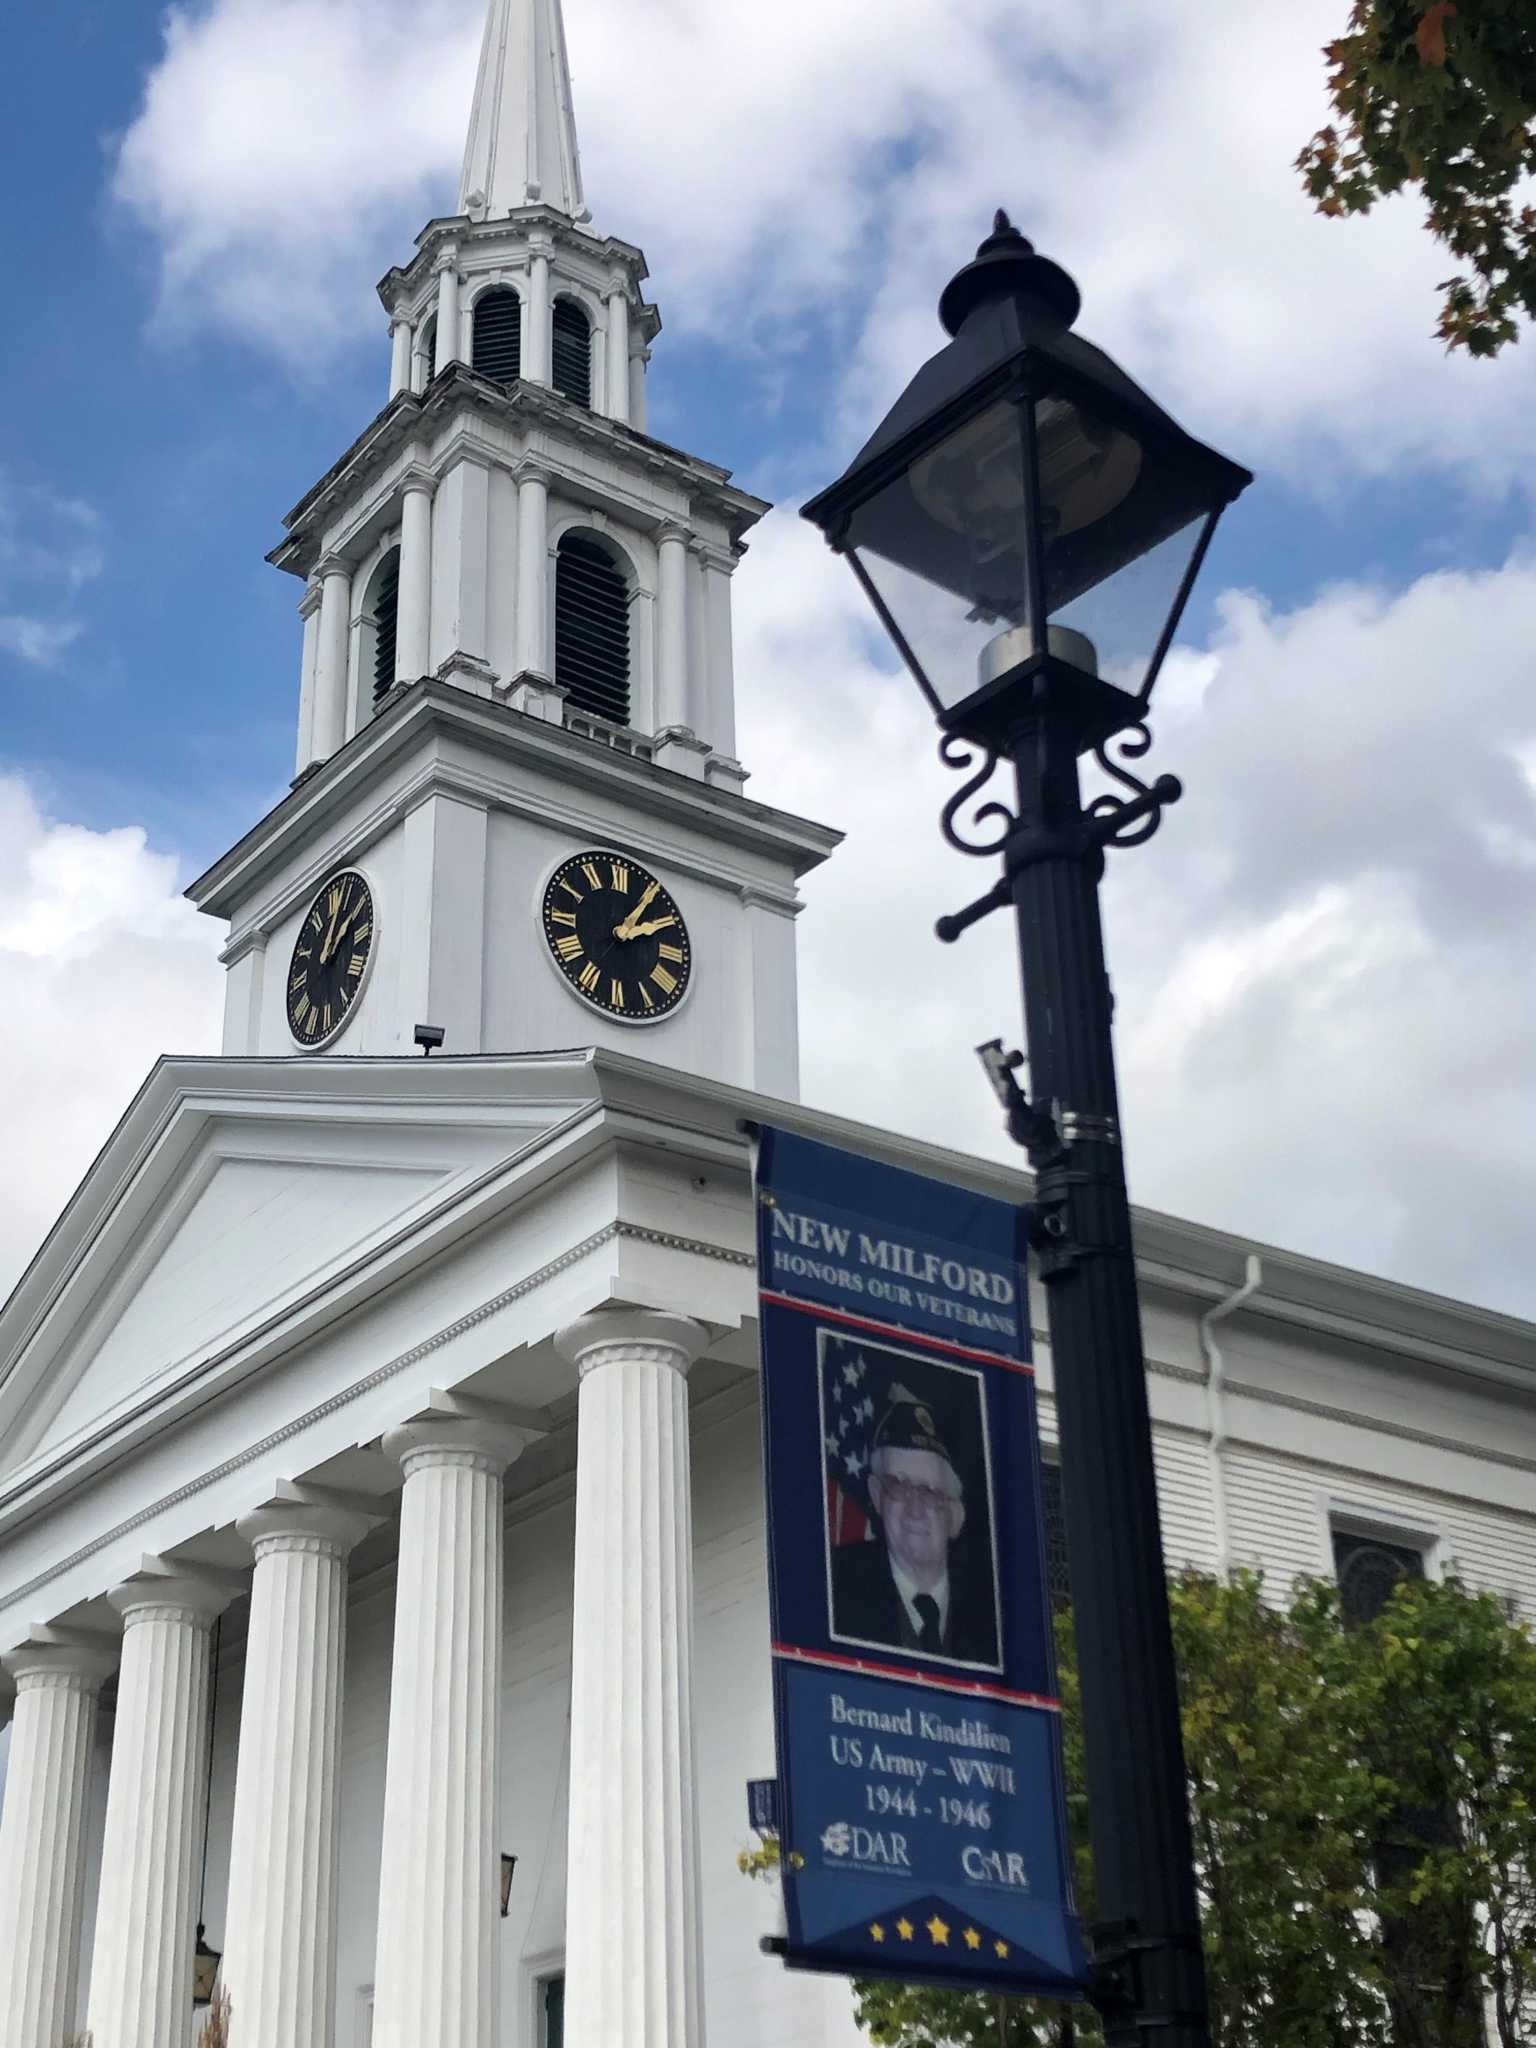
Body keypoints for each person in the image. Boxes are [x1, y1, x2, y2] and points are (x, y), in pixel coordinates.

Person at [831, 1383, 998, 1666]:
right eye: (898, 1484)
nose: (915, 1508)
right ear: (876, 1495)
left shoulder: (994, 1615)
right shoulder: (837, 1589)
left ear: (955, 1517)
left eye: (930, 1492)